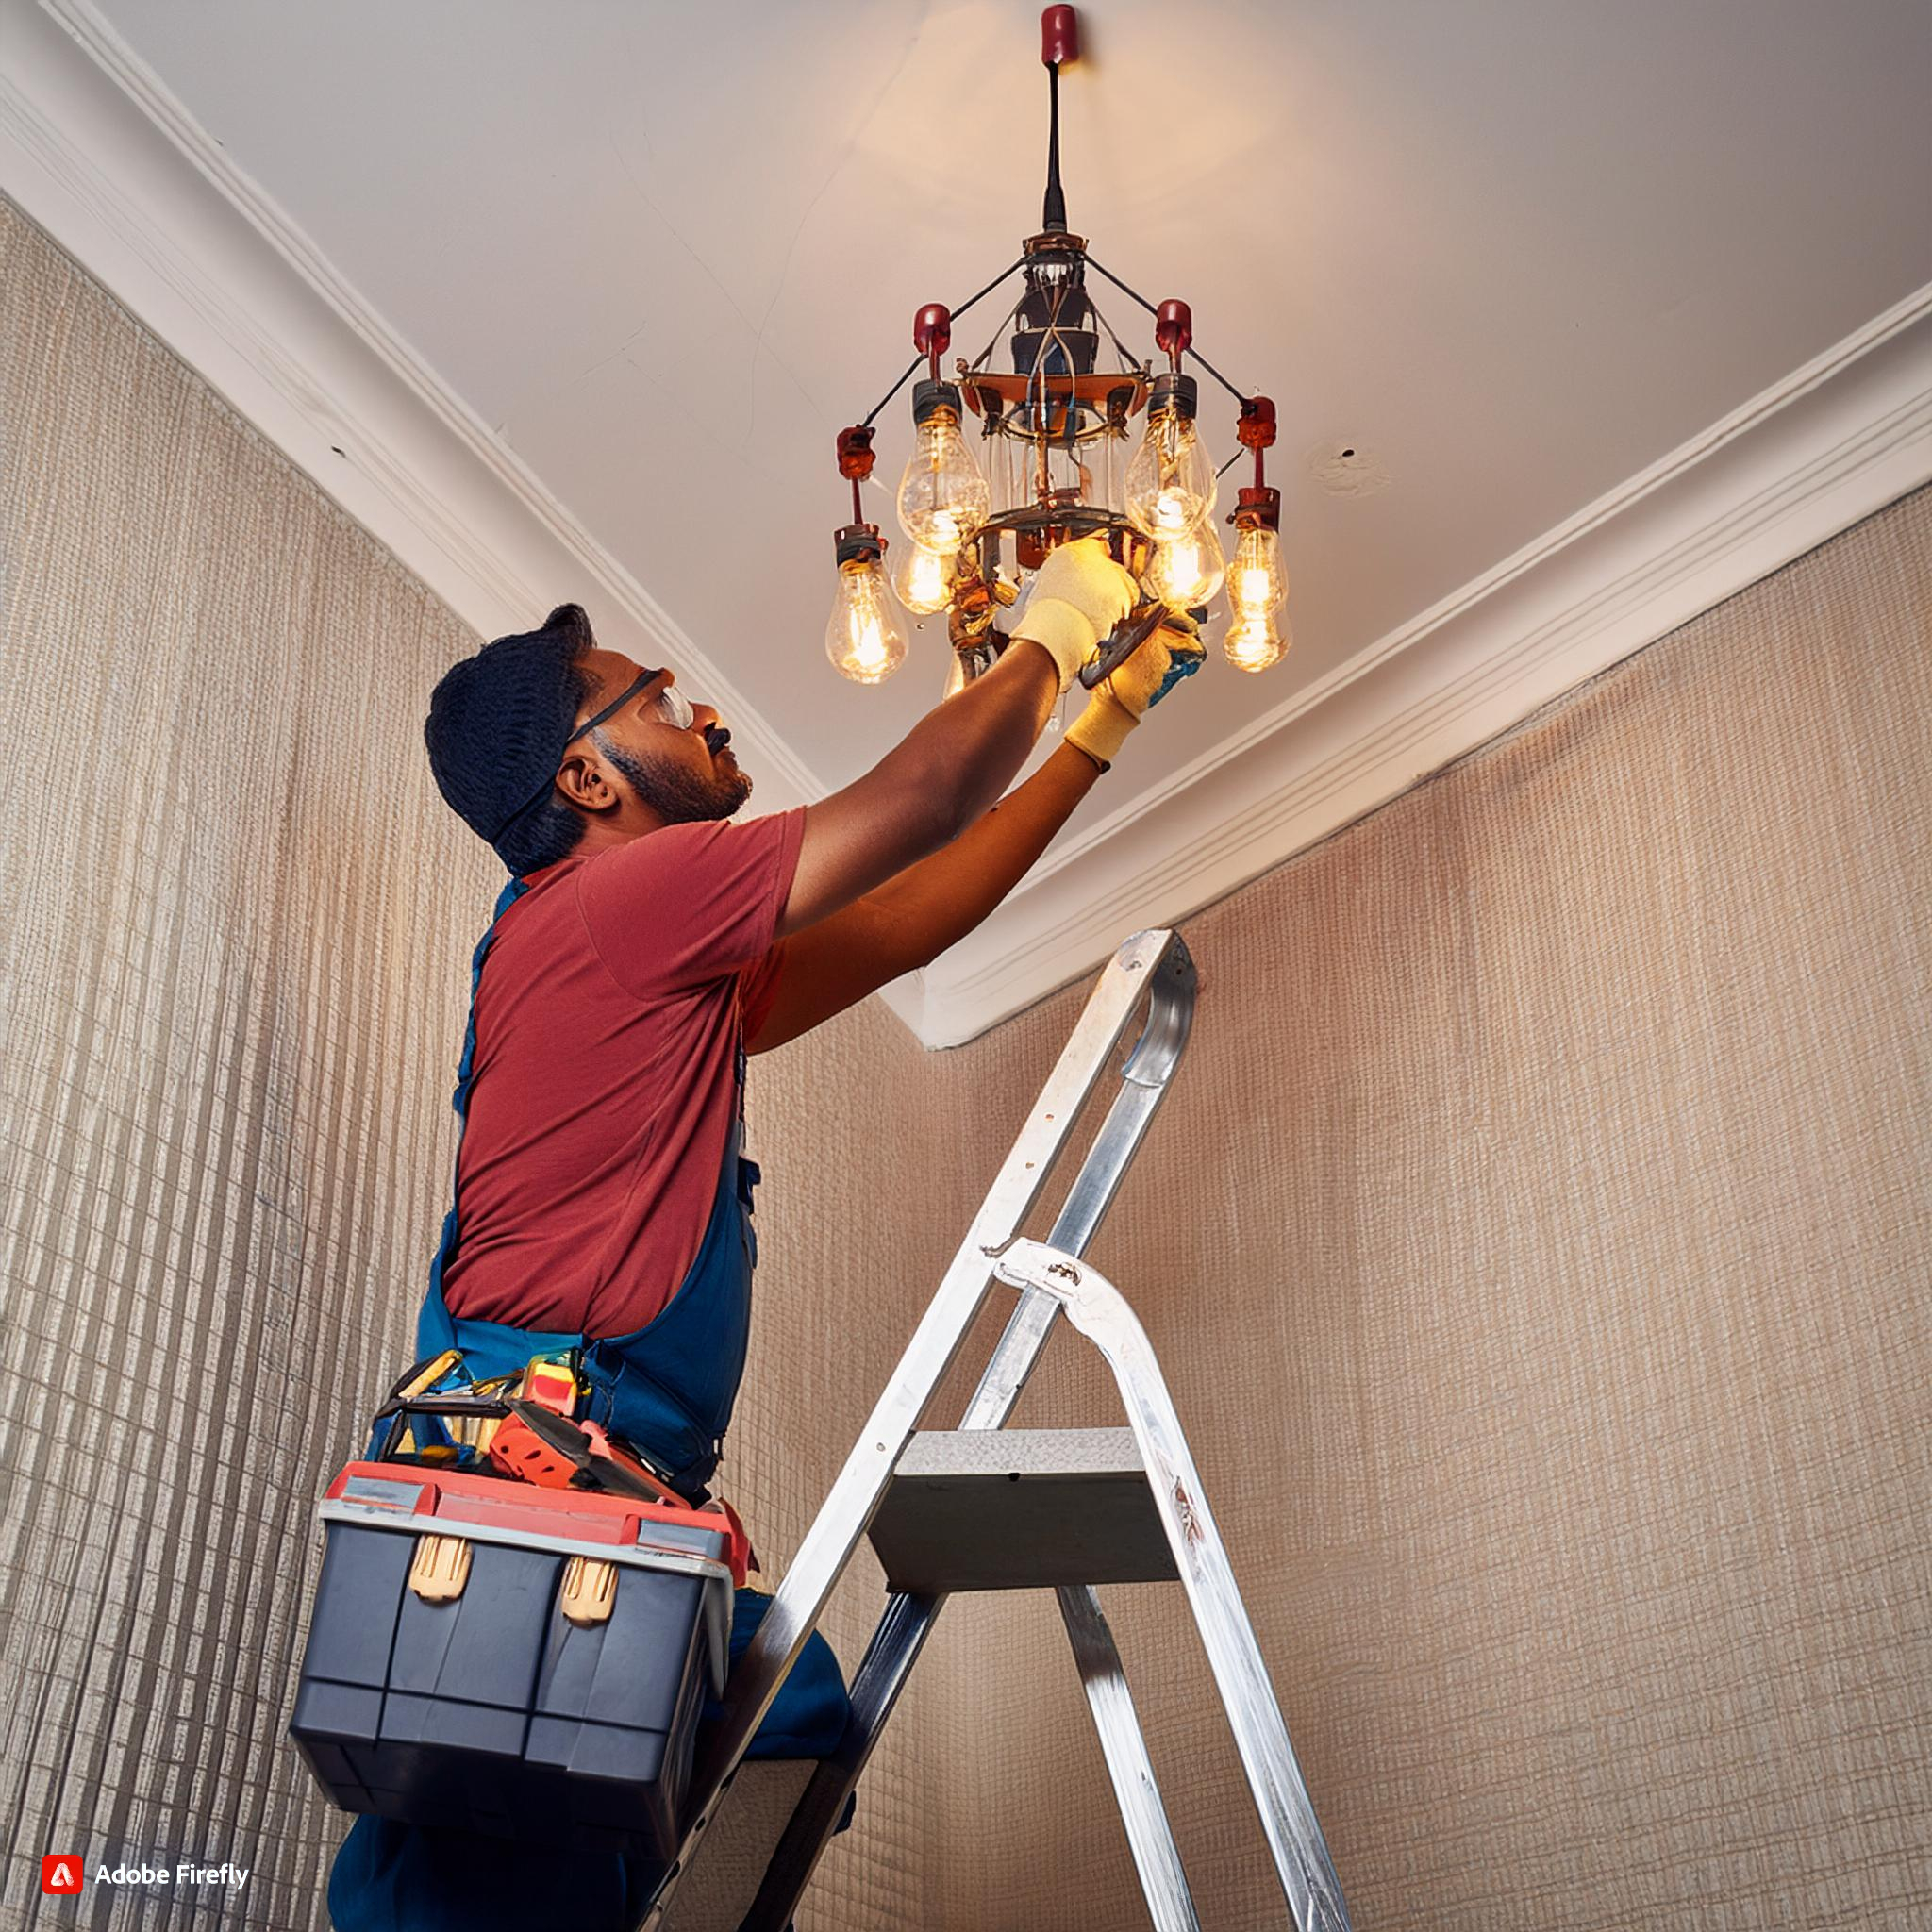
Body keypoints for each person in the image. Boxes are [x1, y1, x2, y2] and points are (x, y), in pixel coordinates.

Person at [325, 538, 1198, 1929]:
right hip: (539, 1496)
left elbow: (913, 915)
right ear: (588, 779)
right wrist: (1061, 624)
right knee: (494, 1884)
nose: (707, 713)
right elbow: (918, 799)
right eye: (659, 699)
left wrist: (1091, 725)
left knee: (784, 1717)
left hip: (615, 1492)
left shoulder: (650, 973)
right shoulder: (613, 903)